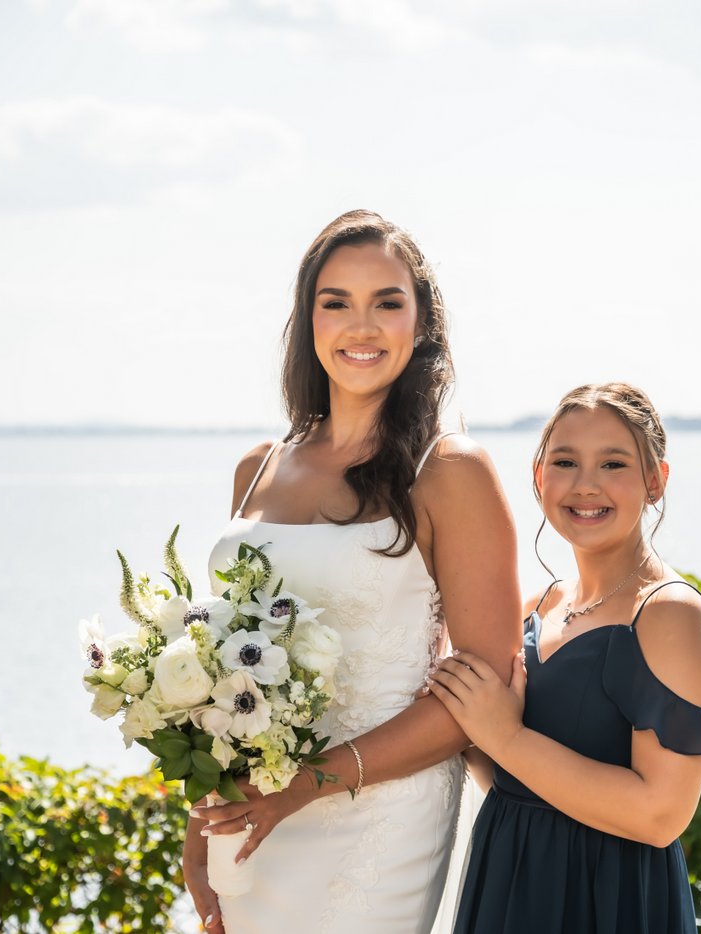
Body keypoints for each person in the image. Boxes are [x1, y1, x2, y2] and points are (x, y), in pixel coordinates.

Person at [184, 210, 521, 933]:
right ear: (308, 320)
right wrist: (204, 806)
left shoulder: (450, 470)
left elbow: (483, 688)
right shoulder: (258, 467)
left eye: (387, 303)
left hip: (380, 819)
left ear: (423, 320)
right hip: (255, 816)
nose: (360, 327)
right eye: (336, 302)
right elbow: (230, 673)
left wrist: (305, 787)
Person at [429, 382, 701, 934]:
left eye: (613, 464)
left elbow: (660, 815)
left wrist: (504, 737)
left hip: (609, 901)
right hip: (509, 882)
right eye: (566, 461)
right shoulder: (536, 608)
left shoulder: (669, 613)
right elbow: (514, 779)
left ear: (655, 482)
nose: (586, 485)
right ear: (538, 477)